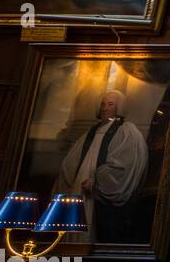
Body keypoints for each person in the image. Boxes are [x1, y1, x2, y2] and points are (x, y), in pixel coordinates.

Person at [54, 89, 148, 244]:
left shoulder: (126, 131)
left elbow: (123, 164)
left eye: (110, 104)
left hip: (96, 191)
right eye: (103, 104)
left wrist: (97, 180)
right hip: (80, 186)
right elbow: (71, 162)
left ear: (119, 107)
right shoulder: (92, 132)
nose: (104, 108)